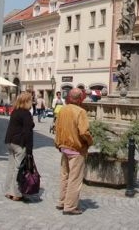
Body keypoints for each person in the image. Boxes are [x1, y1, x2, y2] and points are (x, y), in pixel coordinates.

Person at [54, 87, 93, 215]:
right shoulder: (80, 112)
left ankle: (62, 202)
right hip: (76, 149)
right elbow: (84, 132)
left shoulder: (63, 110)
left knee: (65, 176)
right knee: (74, 178)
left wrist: (58, 144)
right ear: (80, 98)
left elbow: (57, 128)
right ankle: (70, 206)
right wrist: (89, 141)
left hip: (64, 147)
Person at [3, 92, 35, 201]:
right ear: (26, 101)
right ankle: (16, 192)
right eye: (31, 100)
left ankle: (8, 191)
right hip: (19, 143)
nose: (32, 102)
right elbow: (27, 133)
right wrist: (29, 150)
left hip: (10, 141)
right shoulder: (26, 114)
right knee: (18, 168)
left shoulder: (15, 111)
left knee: (11, 167)